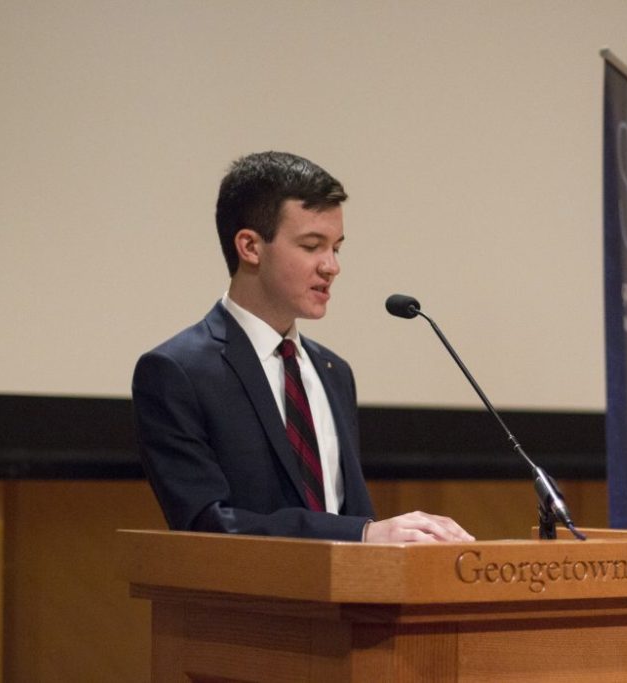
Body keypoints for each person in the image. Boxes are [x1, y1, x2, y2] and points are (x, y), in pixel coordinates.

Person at [132, 151, 473, 543]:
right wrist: (361, 534)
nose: (332, 266)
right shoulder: (178, 372)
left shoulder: (334, 371)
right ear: (250, 247)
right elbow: (206, 523)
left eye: (337, 248)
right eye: (312, 246)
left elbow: (351, 512)